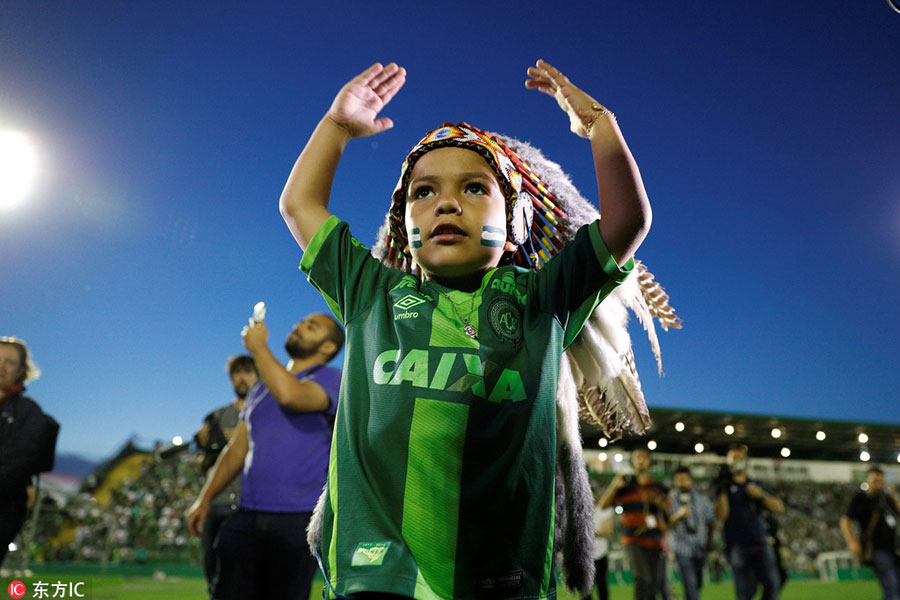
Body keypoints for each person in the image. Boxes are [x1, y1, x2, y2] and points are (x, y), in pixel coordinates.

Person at [279, 59, 651, 599]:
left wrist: (599, 123)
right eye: (422, 193)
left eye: (475, 188)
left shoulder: (540, 300)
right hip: (378, 573)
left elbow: (626, 223)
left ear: (517, 219)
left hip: (500, 575)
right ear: (403, 224)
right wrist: (336, 127)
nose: (445, 202)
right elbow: (298, 205)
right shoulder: (372, 293)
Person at [186, 314, 343, 600]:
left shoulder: (333, 378)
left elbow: (292, 396)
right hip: (246, 516)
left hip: (297, 520)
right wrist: (205, 499)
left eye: (311, 326)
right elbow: (235, 451)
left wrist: (258, 349)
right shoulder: (260, 389)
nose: (297, 326)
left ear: (328, 347)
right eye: (299, 323)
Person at [193, 354, 259, 598]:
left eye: (248, 371)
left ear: (258, 374)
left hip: (250, 505)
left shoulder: (268, 413)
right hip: (217, 504)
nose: (242, 378)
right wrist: (203, 445)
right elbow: (205, 464)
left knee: (251, 578)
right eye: (237, 373)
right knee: (214, 577)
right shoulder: (215, 418)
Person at [714, 444, 784, 600]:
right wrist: (724, 489)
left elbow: (779, 507)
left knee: (772, 584)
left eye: (741, 458)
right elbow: (722, 514)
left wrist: (761, 495)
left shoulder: (757, 484)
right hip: (736, 544)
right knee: (744, 591)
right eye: (734, 458)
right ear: (728, 462)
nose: (738, 461)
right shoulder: (722, 486)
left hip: (761, 541)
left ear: (746, 461)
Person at [599, 448, 668, 600]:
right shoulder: (626, 486)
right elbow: (603, 505)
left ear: (650, 462)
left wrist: (661, 505)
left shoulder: (657, 487)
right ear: (632, 461)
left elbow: (668, 514)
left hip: (654, 539)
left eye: (644, 457)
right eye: (637, 457)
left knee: (653, 584)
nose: (641, 460)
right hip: (633, 539)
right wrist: (614, 486)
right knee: (642, 577)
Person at [0, 337, 45, 567]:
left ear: (20, 371)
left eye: (8, 362)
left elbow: (17, 463)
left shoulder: (29, 412)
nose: (1, 366)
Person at [840, 466, 900, 600]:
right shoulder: (861, 498)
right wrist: (852, 541)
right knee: (891, 584)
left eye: (880, 480)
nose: (878, 483)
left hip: (894, 549)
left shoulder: (887, 499)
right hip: (876, 548)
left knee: (896, 585)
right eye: (874, 480)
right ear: (868, 480)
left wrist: (892, 493)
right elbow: (845, 520)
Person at [667, 465, 716, 600]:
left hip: (700, 547)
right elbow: (665, 525)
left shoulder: (701, 499)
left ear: (690, 480)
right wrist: (678, 516)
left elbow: (711, 520)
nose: (682, 483)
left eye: (684, 479)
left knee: (698, 583)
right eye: (678, 479)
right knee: (690, 583)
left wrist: (709, 542)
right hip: (681, 548)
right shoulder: (669, 499)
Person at [584, 484, 614, 600]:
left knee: (602, 585)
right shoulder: (582, 510)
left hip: (601, 553)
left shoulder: (604, 510)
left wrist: (589, 532)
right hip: (586, 554)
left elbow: (608, 530)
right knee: (585, 588)